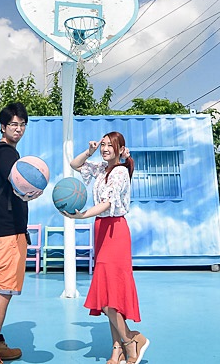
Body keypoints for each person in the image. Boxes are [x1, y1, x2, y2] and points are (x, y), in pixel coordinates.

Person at [66, 131, 150, 364]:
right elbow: (75, 164)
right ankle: (118, 350)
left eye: (110, 146)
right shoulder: (101, 169)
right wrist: (89, 151)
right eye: (103, 145)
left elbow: (107, 204)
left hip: (115, 231)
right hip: (102, 230)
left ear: (121, 150)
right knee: (109, 296)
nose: (105, 149)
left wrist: (81, 216)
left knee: (107, 296)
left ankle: (131, 339)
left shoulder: (121, 172)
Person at [0, 102, 39, 364]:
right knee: (3, 290)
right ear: (3, 126)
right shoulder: (6, 154)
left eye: (23, 124)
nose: (19, 128)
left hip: (8, 231)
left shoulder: (1, 153)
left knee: (3, 289)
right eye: (14, 124)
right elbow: (19, 187)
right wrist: (34, 189)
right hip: (7, 233)